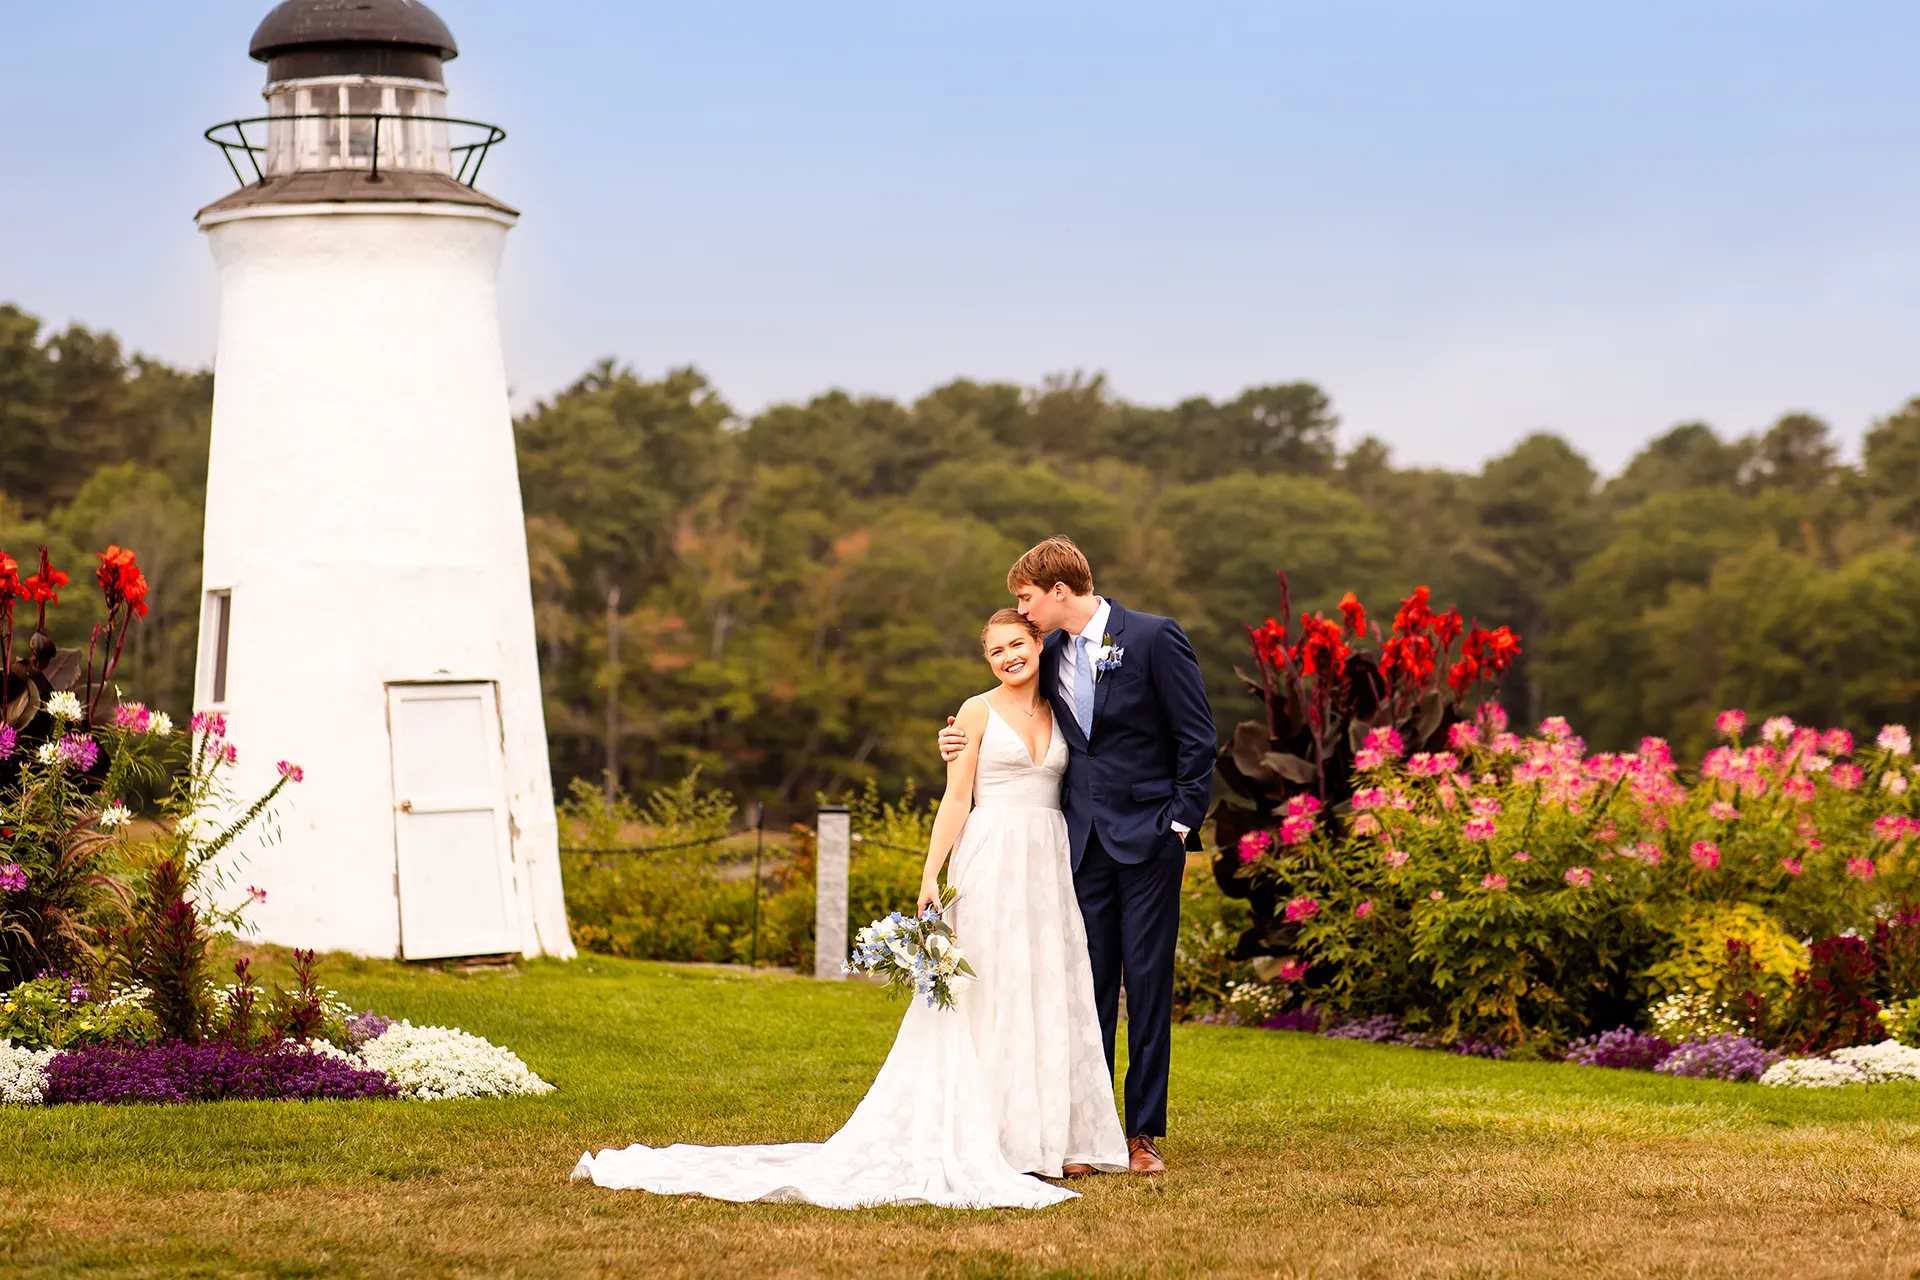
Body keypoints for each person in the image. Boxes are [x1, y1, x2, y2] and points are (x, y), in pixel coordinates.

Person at [571, 608, 1128, 1208]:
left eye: (1017, 644)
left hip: (1047, 862)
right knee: (989, 991)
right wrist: (930, 873)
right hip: (991, 858)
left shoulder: (1065, 707)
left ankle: (1053, 1138)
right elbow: (957, 797)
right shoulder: (974, 712)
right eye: (995, 651)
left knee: (1045, 986)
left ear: (1039, 642)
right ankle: (998, 1140)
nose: (1008, 657)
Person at [937, 535, 1214, 1175]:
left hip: (1148, 838)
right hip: (1076, 841)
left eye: (1026, 599)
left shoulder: (1152, 637)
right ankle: (1081, 1131)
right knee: (1079, 989)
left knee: (1145, 984)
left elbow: (1197, 737)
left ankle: (1143, 1133)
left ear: (1058, 592)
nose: (1022, 612)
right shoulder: (1048, 649)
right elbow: (1009, 712)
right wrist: (954, 738)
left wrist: (1177, 821)